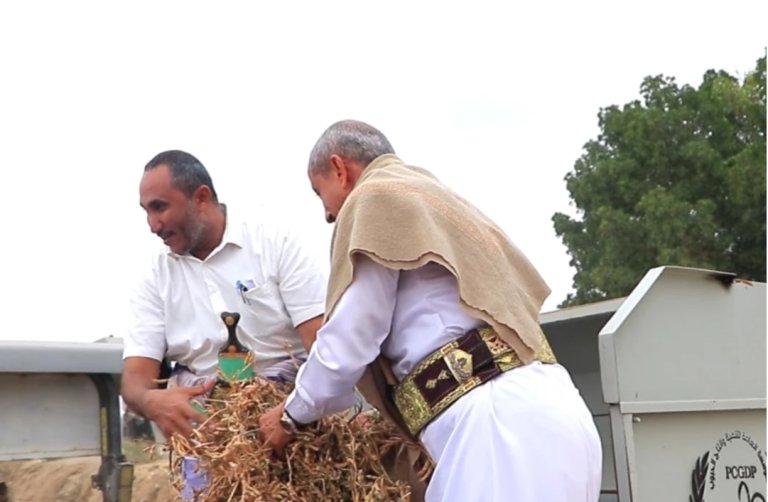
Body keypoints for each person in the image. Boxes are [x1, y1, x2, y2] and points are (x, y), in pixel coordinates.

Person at [259, 120, 603, 501]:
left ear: (340, 169)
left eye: (318, 192)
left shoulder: (373, 198)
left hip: (497, 428)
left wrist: (293, 414)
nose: (326, 214)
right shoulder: (439, 198)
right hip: (554, 412)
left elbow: (349, 337)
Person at [121, 150, 326, 498]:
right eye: (147, 212)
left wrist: (292, 414)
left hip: (292, 430)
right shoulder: (155, 276)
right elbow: (134, 383)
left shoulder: (275, 244)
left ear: (201, 198)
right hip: (208, 445)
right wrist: (153, 401)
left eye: (160, 207)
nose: (152, 225)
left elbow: (323, 347)